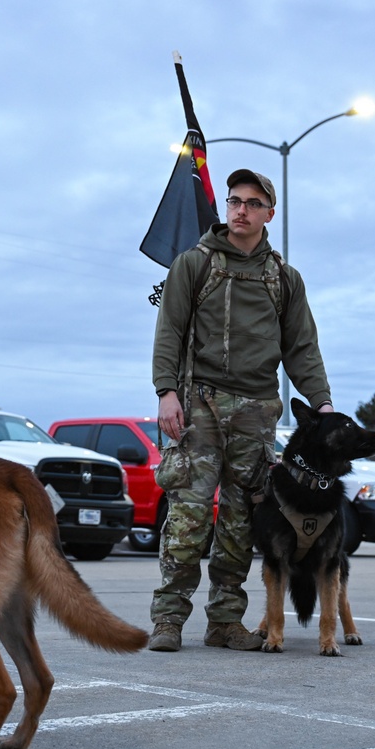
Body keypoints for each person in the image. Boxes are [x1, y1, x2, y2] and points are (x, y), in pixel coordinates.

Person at [148, 168, 334, 652]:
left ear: (269, 213)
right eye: (234, 201)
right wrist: (166, 390)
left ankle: (225, 621)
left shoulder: (284, 279)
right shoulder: (193, 264)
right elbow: (169, 329)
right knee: (189, 515)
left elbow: (302, 348)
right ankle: (168, 619)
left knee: (238, 522)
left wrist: (323, 403)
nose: (240, 210)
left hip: (256, 412)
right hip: (200, 405)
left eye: (252, 203)